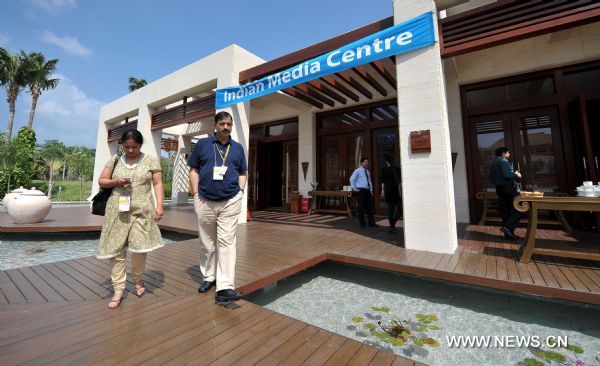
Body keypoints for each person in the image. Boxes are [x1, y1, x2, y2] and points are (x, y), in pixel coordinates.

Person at [96, 129, 164, 308]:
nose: (130, 150)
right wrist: (115, 182)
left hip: (142, 211)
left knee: (140, 248)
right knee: (117, 250)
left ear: (140, 145)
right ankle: (118, 289)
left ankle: (138, 279)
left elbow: (157, 183)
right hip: (117, 211)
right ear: (122, 146)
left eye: (134, 146)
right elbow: (101, 181)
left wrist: (159, 206)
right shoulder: (115, 159)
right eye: (127, 147)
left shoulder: (151, 160)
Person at [188, 111, 247, 303]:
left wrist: (240, 191)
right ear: (215, 125)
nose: (226, 127)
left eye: (229, 124)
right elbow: (194, 170)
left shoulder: (237, 148)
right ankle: (208, 276)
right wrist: (195, 194)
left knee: (227, 242)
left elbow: (243, 172)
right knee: (207, 242)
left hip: (230, 200)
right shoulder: (203, 145)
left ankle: (225, 286)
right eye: (222, 124)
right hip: (204, 200)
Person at [490, 146, 522, 239]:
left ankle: (509, 234)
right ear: (503, 153)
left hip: (499, 188)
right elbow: (507, 175)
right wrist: (516, 175)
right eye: (508, 152)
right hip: (508, 188)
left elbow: (491, 177)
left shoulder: (493, 163)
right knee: (519, 206)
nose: (509, 154)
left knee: (506, 210)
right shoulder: (503, 161)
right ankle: (507, 227)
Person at [350, 157, 377, 228]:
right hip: (361, 191)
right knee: (361, 208)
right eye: (366, 162)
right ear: (361, 163)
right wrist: (354, 188)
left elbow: (369, 181)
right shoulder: (357, 171)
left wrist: (371, 190)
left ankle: (371, 223)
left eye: (367, 162)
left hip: (367, 191)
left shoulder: (367, 171)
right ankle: (362, 223)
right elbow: (352, 179)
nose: (367, 163)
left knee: (369, 208)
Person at [380, 154, 402, 234]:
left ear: (387, 162)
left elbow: (383, 182)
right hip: (395, 191)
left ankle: (391, 225)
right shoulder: (397, 169)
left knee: (391, 209)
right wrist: (400, 192)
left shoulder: (383, 170)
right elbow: (399, 182)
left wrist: (382, 191)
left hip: (388, 190)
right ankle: (392, 225)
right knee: (399, 208)